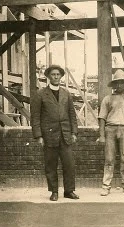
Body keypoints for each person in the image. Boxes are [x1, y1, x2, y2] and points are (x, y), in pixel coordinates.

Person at [30, 65, 79, 201]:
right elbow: (35, 116)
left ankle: (69, 191)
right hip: (49, 135)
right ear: (48, 77)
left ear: (61, 76)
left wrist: (74, 132)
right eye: (53, 74)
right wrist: (39, 135)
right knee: (51, 164)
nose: (56, 77)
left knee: (69, 164)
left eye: (58, 74)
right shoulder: (40, 94)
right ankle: (54, 191)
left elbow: (72, 115)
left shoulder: (66, 93)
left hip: (65, 135)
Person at [98, 70, 124, 196]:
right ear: (114, 85)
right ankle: (106, 185)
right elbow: (102, 118)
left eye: (122, 83)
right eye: (117, 83)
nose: (120, 85)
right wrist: (102, 135)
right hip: (110, 129)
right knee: (109, 159)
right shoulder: (107, 99)